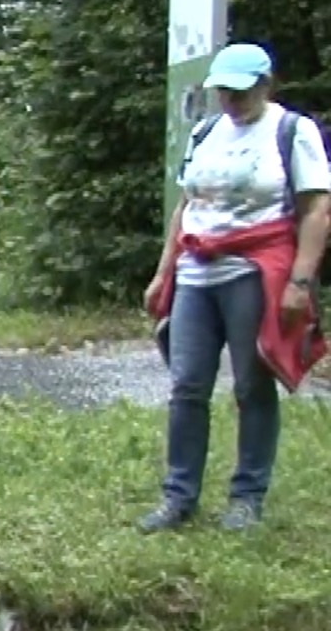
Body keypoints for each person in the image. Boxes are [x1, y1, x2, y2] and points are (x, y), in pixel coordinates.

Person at [141, 43, 330, 533]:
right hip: (197, 272)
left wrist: (300, 282)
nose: (230, 99)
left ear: (266, 85)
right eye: (223, 90)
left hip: (253, 270)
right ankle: (178, 496)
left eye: (240, 91)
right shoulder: (206, 133)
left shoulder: (292, 131)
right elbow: (186, 206)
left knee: (251, 384)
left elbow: (316, 211)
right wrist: (164, 273)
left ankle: (246, 498)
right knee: (187, 385)